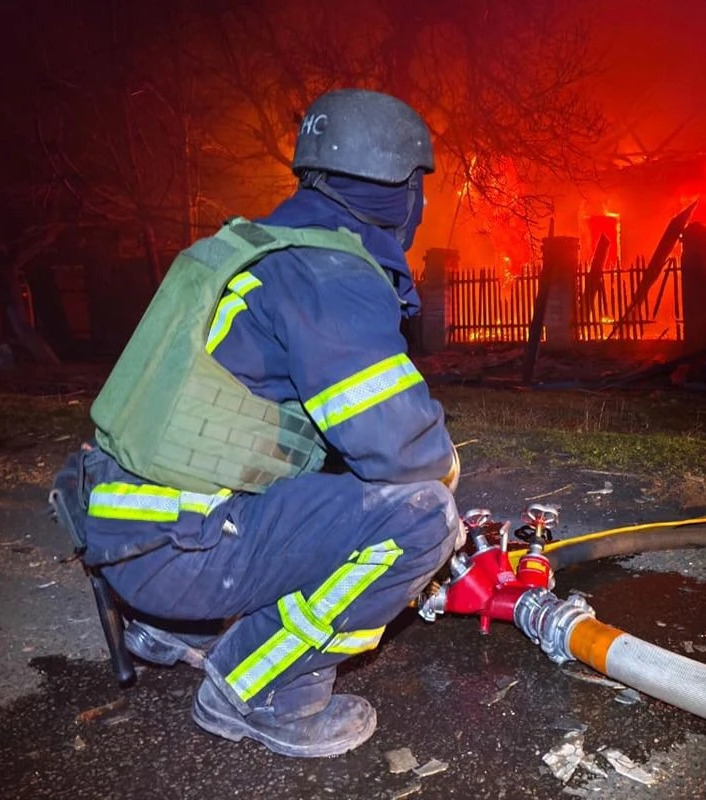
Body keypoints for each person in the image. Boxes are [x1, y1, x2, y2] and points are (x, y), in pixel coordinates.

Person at [71, 88, 462, 758]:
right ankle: (258, 689)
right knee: (422, 515)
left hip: (121, 529)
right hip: (176, 551)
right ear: (402, 191)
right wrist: (451, 489)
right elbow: (404, 451)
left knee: (328, 478)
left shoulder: (259, 247)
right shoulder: (331, 271)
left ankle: (172, 629)